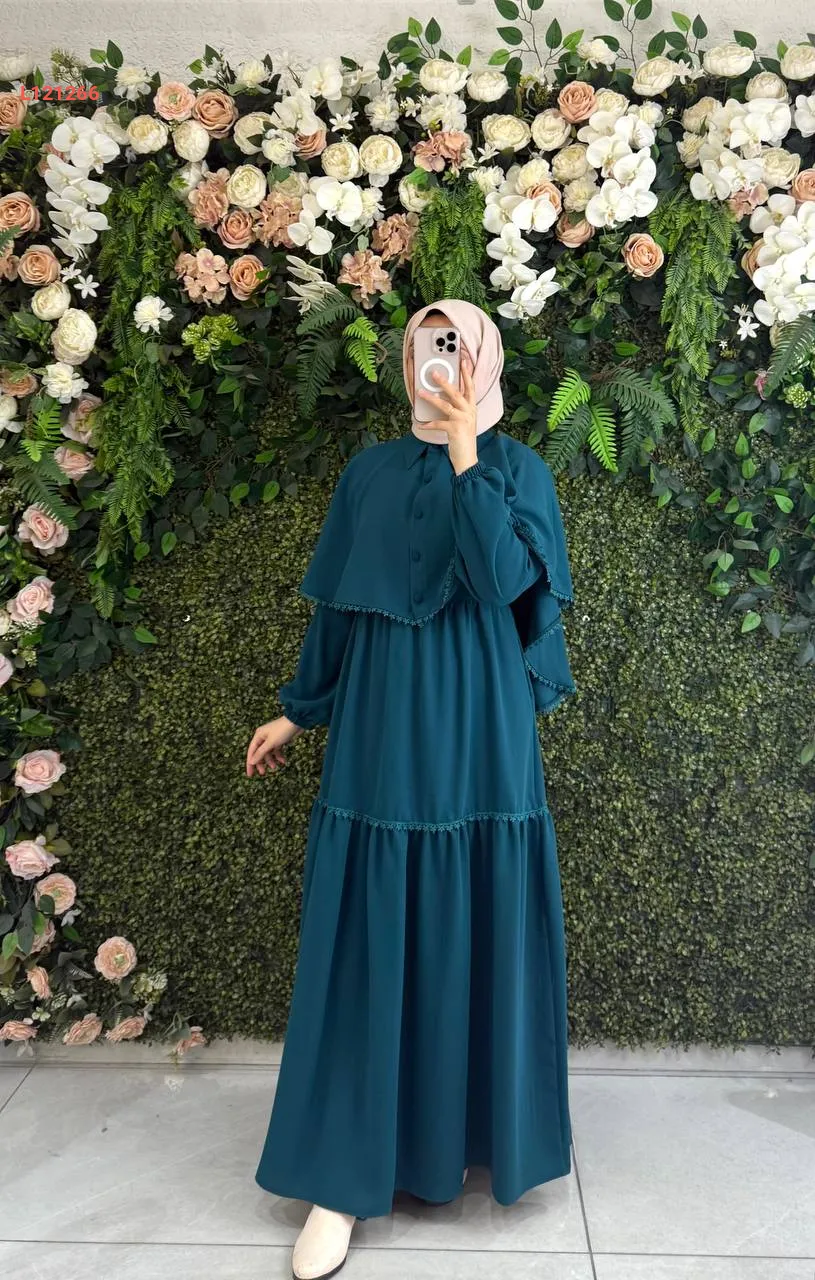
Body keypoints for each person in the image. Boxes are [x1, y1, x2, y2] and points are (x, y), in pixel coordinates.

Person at [246, 298, 577, 1280]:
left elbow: (504, 581)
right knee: (368, 933)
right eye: (426, 347)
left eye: (455, 346)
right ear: (405, 360)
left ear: (483, 358)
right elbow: (338, 610)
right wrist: (297, 709)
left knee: (475, 915)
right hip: (381, 729)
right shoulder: (368, 473)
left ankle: (467, 1138)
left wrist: (469, 451)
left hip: (481, 731)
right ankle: (341, 1177)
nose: (439, 364)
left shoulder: (519, 470)